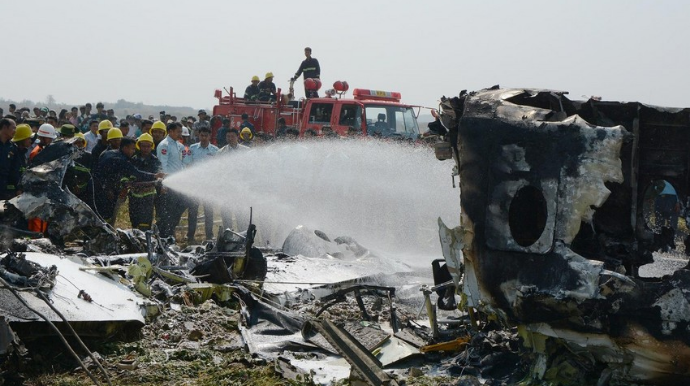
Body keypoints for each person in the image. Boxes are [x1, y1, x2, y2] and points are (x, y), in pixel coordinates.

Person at [93, 138, 164, 224]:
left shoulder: (109, 153)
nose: (134, 151)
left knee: (99, 214)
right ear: (125, 148)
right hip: (102, 189)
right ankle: (104, 231)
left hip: (98, 186)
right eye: (132, 149)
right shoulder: (121, 159)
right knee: (105, 214)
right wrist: (154, 176)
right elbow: (135, 172)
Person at [187, 127, 219, 242]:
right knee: (193, 211)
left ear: (210, 136)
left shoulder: (215, 150)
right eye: (202, 135)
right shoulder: (192, 148)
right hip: (195, 185)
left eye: (206, 135)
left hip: (209, 186)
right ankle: (190, 237)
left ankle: (209, 236)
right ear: (198, 135)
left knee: (209, 212)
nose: (204, 138)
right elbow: (188, 165)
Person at [156, 122, 187, 238]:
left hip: (180, 183)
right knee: (168, 210)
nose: (180, 134)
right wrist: (163, 183)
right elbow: (162, 164)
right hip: (169, 184)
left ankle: (171, 230)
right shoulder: (164, 145)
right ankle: (165, 235)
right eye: (178, 131)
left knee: (181, 205)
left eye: (181, 131)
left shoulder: (180, 146)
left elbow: (182, 163)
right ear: (170, 131)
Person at [128, 133, 162, 231]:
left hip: (148, 195)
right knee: (134, 219)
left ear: (151, 147)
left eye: (148, 146)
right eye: (143, 146)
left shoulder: (154, 160)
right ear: (139, 146)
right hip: (134, 194)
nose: (145, 148)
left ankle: (145, 240)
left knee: (146, 220)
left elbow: (158, 172)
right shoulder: (134, 159)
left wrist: (158, 179)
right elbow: (130, 173)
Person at [0, 118, 21, 200]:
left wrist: (18, 188)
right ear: (5, 127)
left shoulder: (13, 147)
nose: (15, 131)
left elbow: (15, 170)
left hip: (5, 189)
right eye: (13, 128)